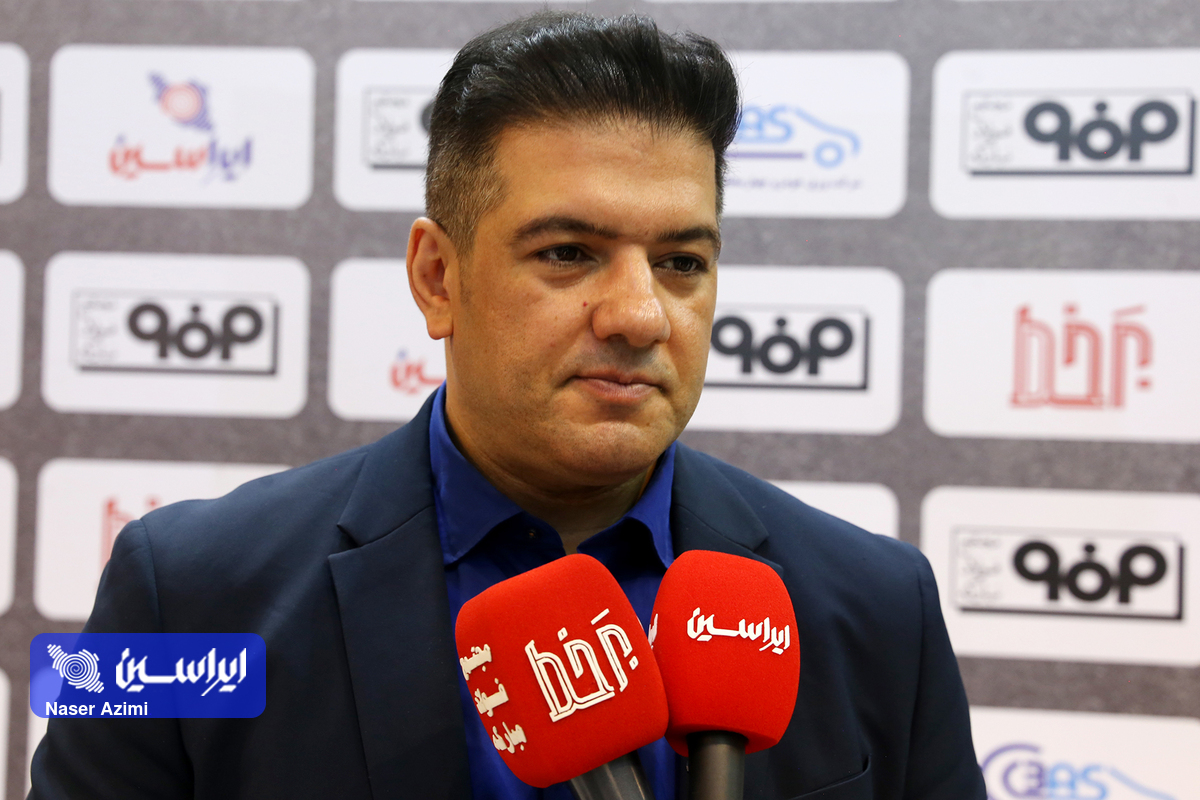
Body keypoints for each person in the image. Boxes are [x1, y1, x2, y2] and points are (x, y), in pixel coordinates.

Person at [31, 12, 987, 800]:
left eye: (681, 262)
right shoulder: (180, 591)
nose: (640, 314)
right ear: (437, 277)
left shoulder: (879, 605)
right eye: (568, 253)